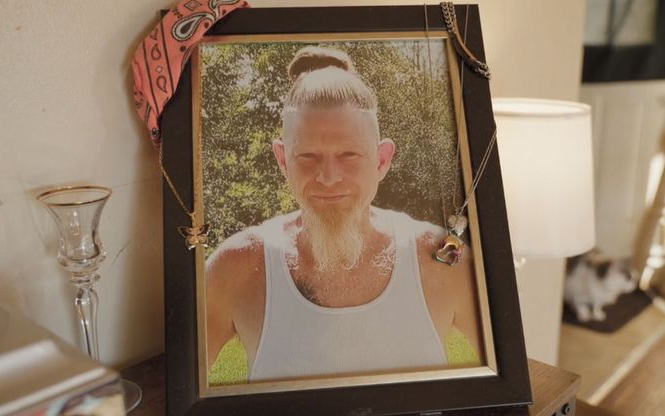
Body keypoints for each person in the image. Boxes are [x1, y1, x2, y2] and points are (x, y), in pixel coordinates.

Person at [205, 46, 481, 382]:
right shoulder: (235, 268)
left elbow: (507, 380)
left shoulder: (442, 260)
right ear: (282, 160)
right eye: (307, 156)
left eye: (349, 155)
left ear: (381, 160)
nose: (328, 177)